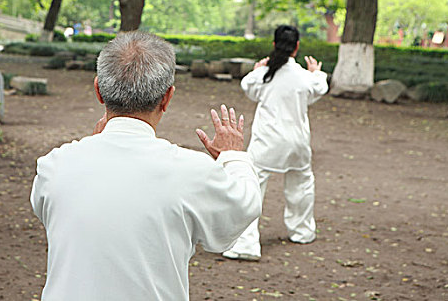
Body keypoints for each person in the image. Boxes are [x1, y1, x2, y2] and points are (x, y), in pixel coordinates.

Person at [30, 31, 262, 300]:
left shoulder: (54, 166)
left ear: (98, 90)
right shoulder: (190, 171)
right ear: (167, 97)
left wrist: (94, 145)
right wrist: (233, 156)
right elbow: (243, 209)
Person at [222, 25, 328, 261]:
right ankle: (303, 232)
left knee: (251, 187)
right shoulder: (305, 77)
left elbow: (248, 88)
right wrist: (316, 72)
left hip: (267, 141)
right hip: (298, 142)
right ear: (297, 47)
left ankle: (246, 245)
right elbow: (320, 88)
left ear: (273, 45)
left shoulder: (264, 75)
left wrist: (257, 69)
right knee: (301, 185)